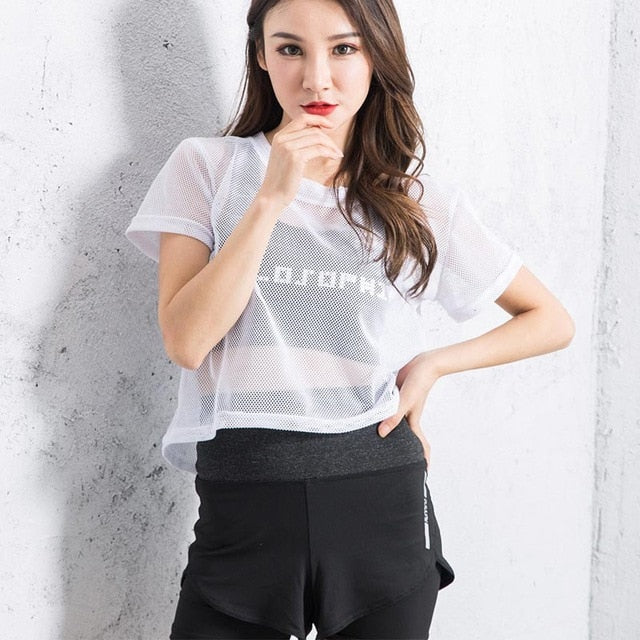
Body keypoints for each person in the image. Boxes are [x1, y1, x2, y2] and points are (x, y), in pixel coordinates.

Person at [125, 0, 575, 638]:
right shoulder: (209, 168)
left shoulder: (415, 203)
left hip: (381, 500)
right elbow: (188, 341)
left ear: (375, 56)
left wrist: (432, 365)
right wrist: (272, 198)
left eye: (343, 49)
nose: (317, 78)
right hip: (244, 505)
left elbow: (549, 319)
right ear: (261, 55)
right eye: (290, 48)